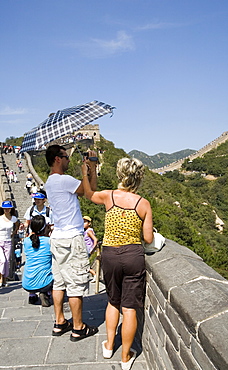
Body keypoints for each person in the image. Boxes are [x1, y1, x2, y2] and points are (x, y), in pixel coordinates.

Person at [82, 157, 153, 370]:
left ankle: (108, 346)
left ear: (120, 175)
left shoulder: (109, 196)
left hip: (111, 255)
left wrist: (87, 171)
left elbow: (88, 193)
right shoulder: (143, 203)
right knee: (129, 308)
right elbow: (148, 239)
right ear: (138, 178)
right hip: (133, 255)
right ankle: (125, 358)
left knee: (113, 301)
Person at [45, 145, 99, 341]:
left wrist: (90, 169)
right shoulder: (64, 180)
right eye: (66, 157)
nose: (68, 160)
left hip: (57, 238)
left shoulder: (49, 182)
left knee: (59, 283)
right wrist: (88, 170)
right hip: (71, 238)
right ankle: (78, 327)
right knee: (75, 284)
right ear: (57, 159)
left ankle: (59, 322)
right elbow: (90, 192)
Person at [22, 215, 53, 307]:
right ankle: (46, 293)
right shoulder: (49, 241)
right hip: (45, 283)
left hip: (27, 282)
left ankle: (32, 295)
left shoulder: (26, 241)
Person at [0, 200, 19, 288]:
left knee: (7, 261)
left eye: (8, 208)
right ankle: (0, 279)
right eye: (5, 208)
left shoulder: (13, 218)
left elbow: (17, 224)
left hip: (8, 241)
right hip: (0, 241)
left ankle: (4, 279)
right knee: (2, 260)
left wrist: (14, 232)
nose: (6, 210)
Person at [83, 216, 98, 282]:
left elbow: (95, 239)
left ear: (89, 223)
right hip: (86, 250)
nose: (83, 224)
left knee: (84, 264)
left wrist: (93, 249)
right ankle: (94, 274)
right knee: (84, 264)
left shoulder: (89, 231)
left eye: (85, 222)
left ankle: (95, 274)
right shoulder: (86, 231)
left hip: (87, 250)